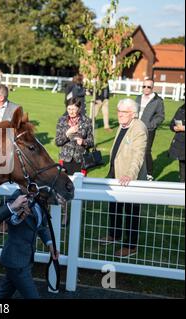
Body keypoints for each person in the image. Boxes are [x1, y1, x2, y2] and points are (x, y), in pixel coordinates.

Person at [101, 98, 147, 257]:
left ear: (133, 114)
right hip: (116, 174)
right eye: (119, 111)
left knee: (131, 211)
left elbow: (138, 155)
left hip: (130, 177)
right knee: (114, 207)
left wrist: (130, 175)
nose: (120, 115)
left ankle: (131, 246)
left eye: (124, 112)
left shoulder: (139, 128)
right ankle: (114, 235)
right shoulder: (123, 124)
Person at [0, 190, 58, 299]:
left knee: (3, 293)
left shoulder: (39, 198)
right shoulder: (16, 197)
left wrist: (50, 244)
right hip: (16, 261)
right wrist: (19, 216)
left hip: (25, 259)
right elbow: (10, 219)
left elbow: (41, 227)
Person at [55, 96, 94, 175]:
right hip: (65, 160)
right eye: (69, 109)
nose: (71, 112)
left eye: (73, 109)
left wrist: (83, 142)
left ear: (79, 108)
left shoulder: (87, 121)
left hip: (80, 160)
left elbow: (91, 142)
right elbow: (57, 142)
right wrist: (67, 133)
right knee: (64, 185)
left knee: (79, 185)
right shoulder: (62, 121)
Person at [135, 78, 165, 181]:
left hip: (148, 130)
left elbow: (161, 116)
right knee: (136, 149)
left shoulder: (158, 101)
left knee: (146, 151)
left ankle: (149, 173)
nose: (146, 89)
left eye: (149, 87)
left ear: (153, 88)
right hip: (136, 128)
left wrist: (151, 125)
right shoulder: (138, 98)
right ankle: (136, 170)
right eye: (144, 86)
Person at [168, 104, 185, 182]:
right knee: (182, 172)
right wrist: (174, 127)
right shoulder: (181, 108)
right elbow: (172, 123)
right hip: (181, 144)